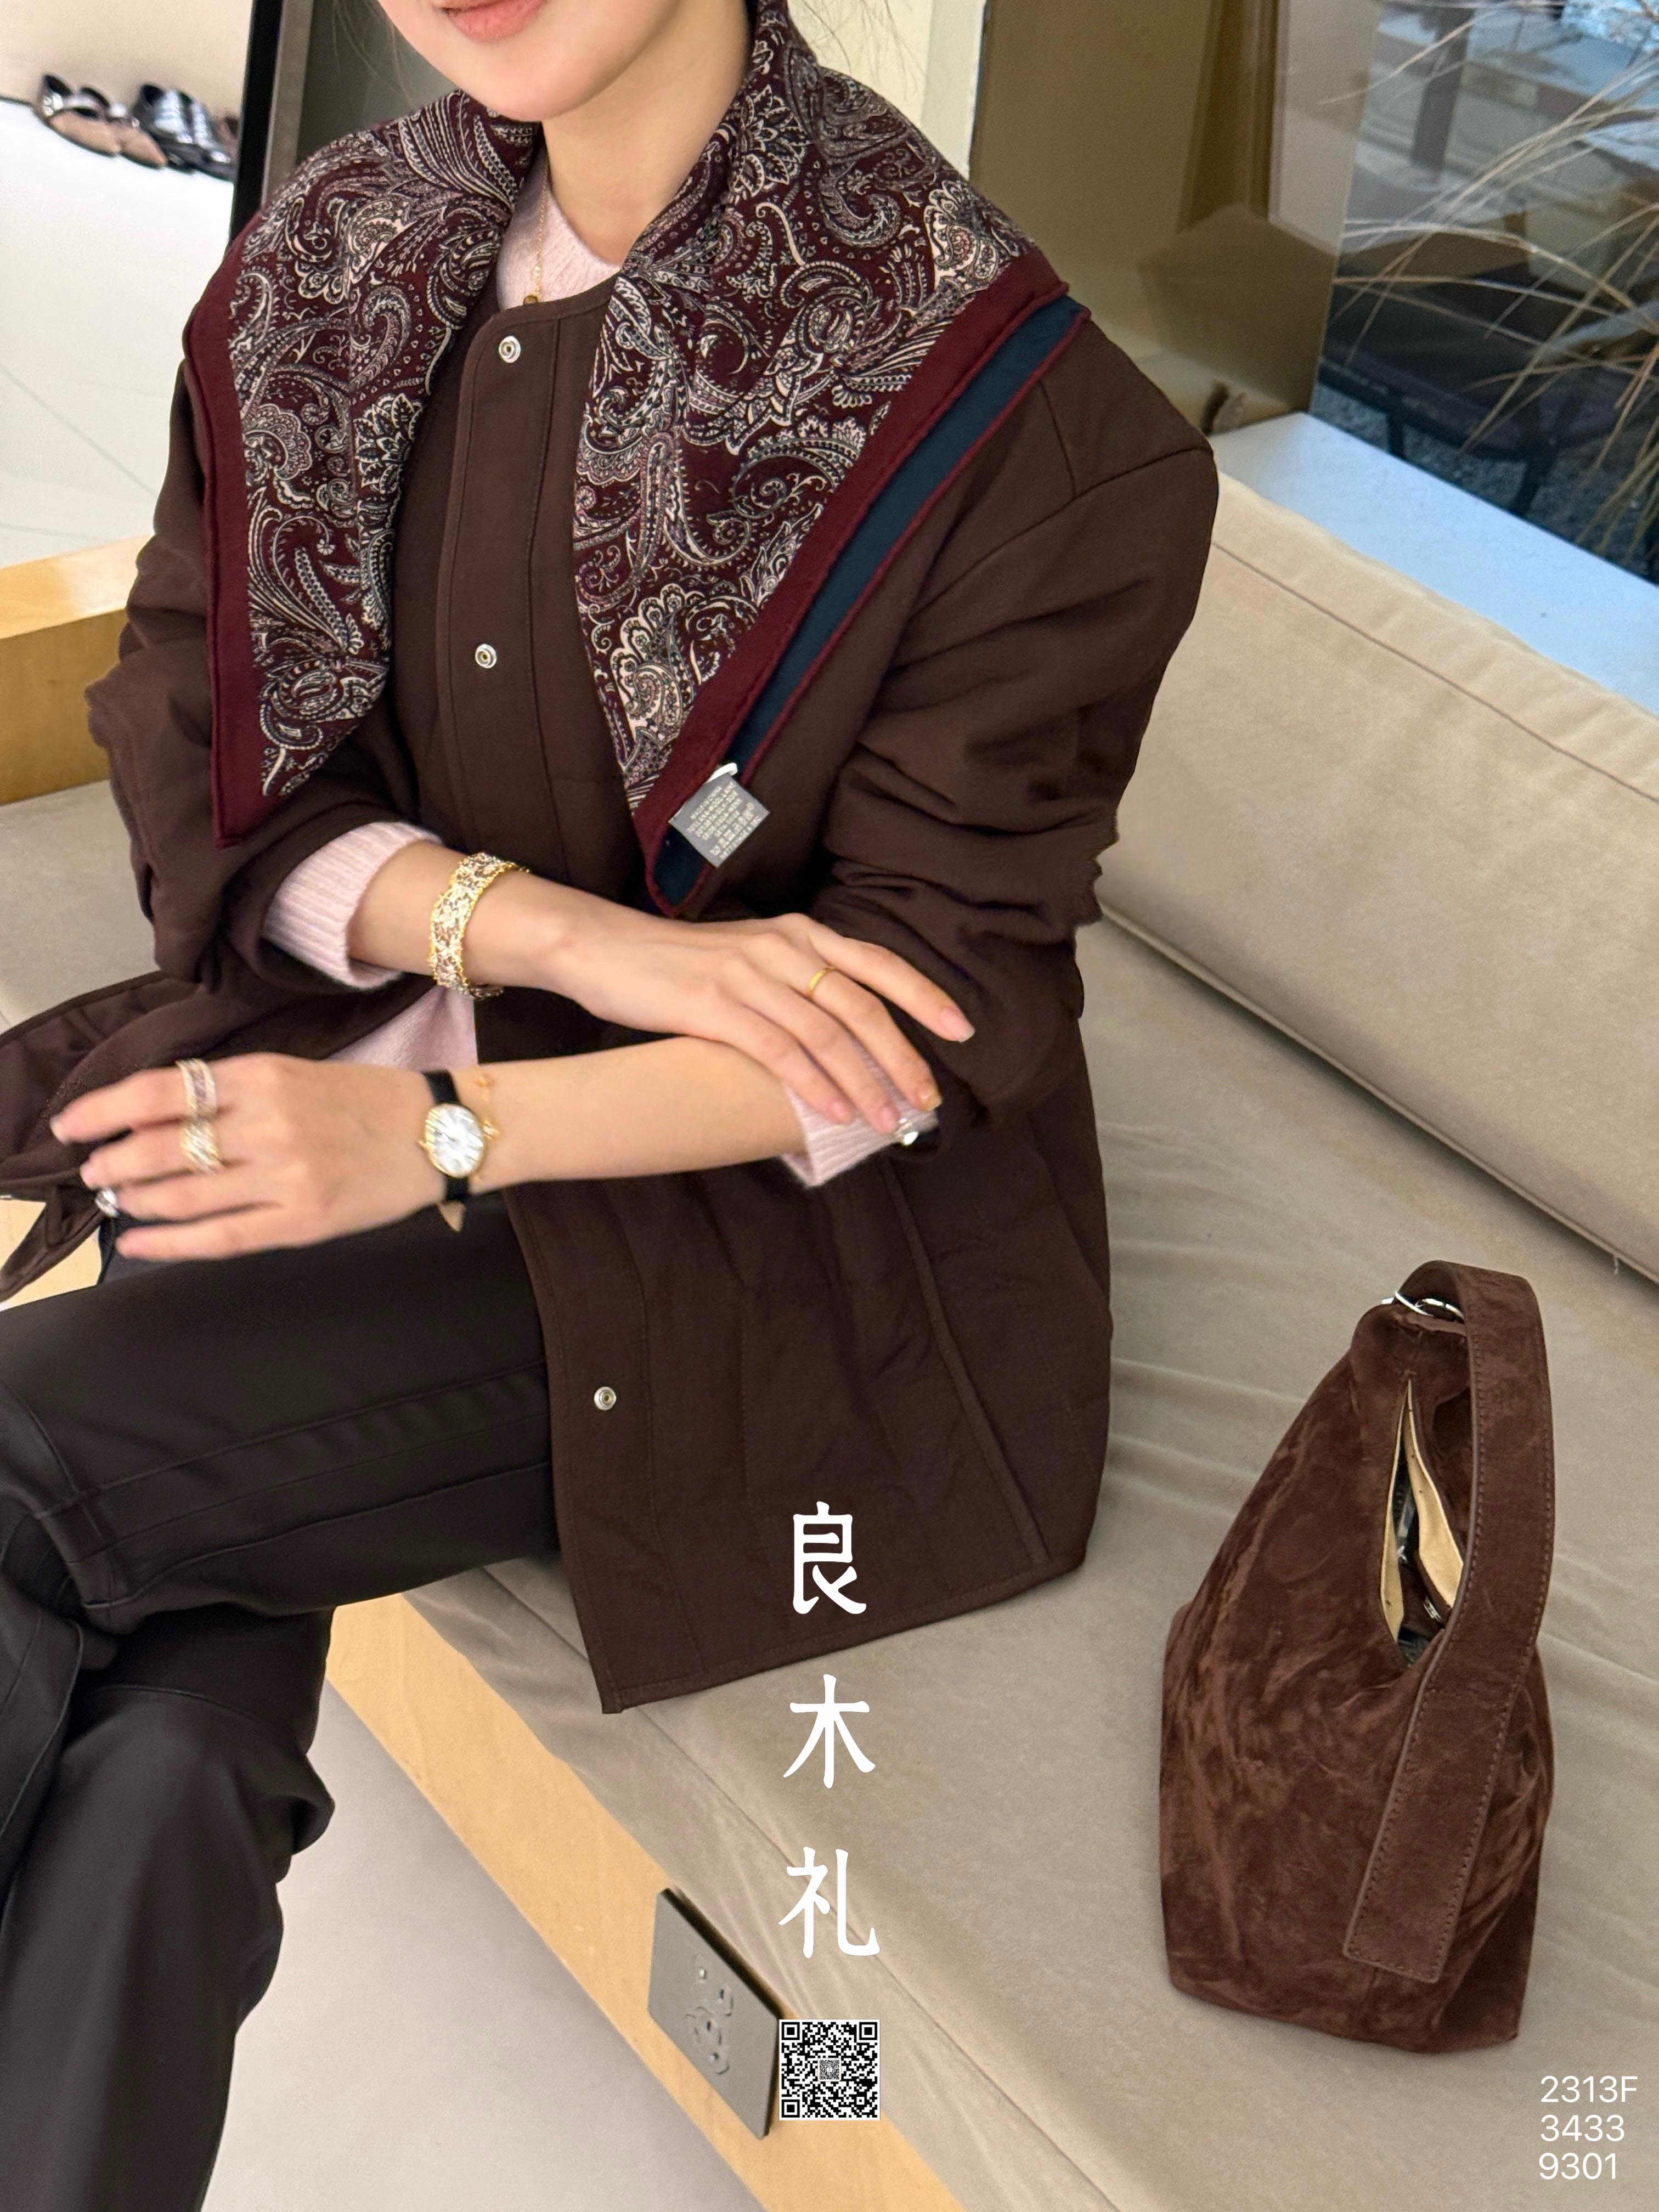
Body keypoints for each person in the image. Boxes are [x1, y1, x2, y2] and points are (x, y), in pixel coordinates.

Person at [0, 0, 1217, 2201]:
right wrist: (570, 942)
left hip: (771, 1252)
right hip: (377, 1074)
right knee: (167, 1748)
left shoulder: (1005, 408)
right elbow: (204, 763)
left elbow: (918, 1024)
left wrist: (438, 1138)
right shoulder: (333, 267)